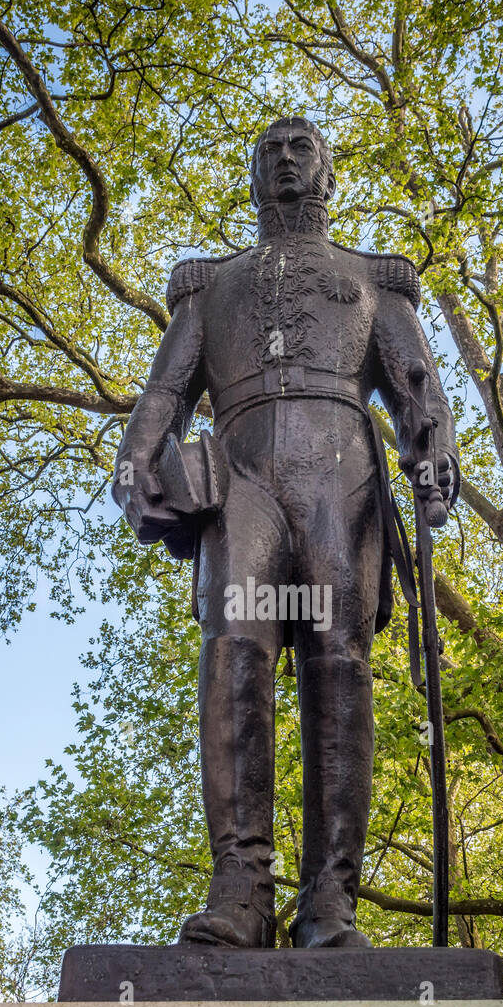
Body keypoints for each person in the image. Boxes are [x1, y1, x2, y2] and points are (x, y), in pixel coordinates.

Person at [113, 116, 459, 948]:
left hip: (342, 477)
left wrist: (434, 443)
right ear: (254, 175)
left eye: (302, 147)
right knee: (234, 654)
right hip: (241, 480)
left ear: (327, 173)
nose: (285, 159)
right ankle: (240, 890)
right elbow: (166, 392)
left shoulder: (372, 278)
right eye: (270, 151)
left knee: (339, 666)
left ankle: (330, 902)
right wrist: (135, 459)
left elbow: (416, 382)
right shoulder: (212, 286)